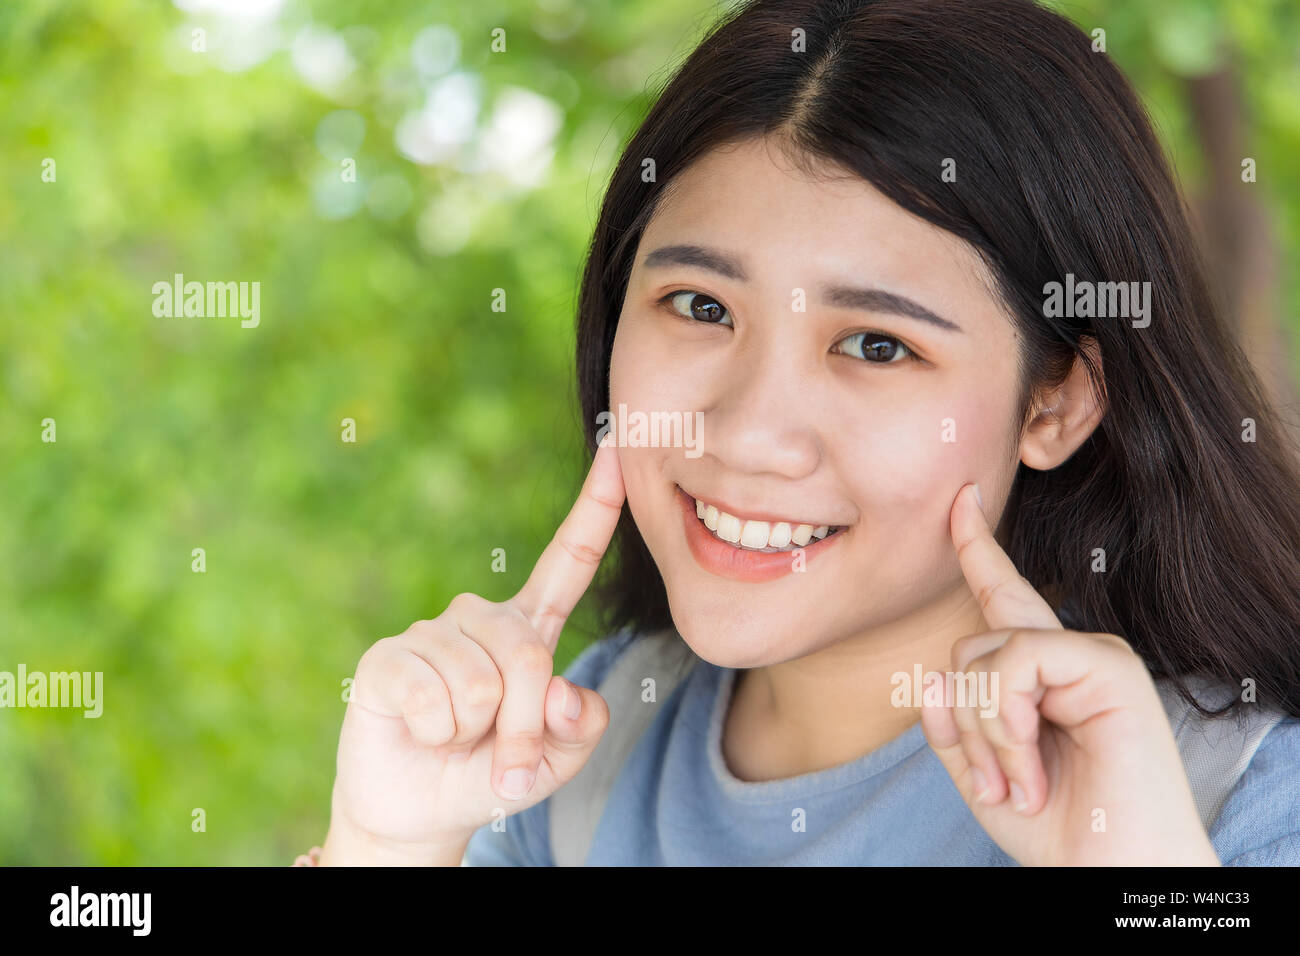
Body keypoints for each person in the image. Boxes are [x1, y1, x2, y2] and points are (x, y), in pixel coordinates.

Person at [311, 0, 1300, 866]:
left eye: (875, 343)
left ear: (1055, 404)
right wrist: (388, 845)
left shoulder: (1246, 795)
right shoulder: (572, 756)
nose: (748, 435)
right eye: (700, 306)